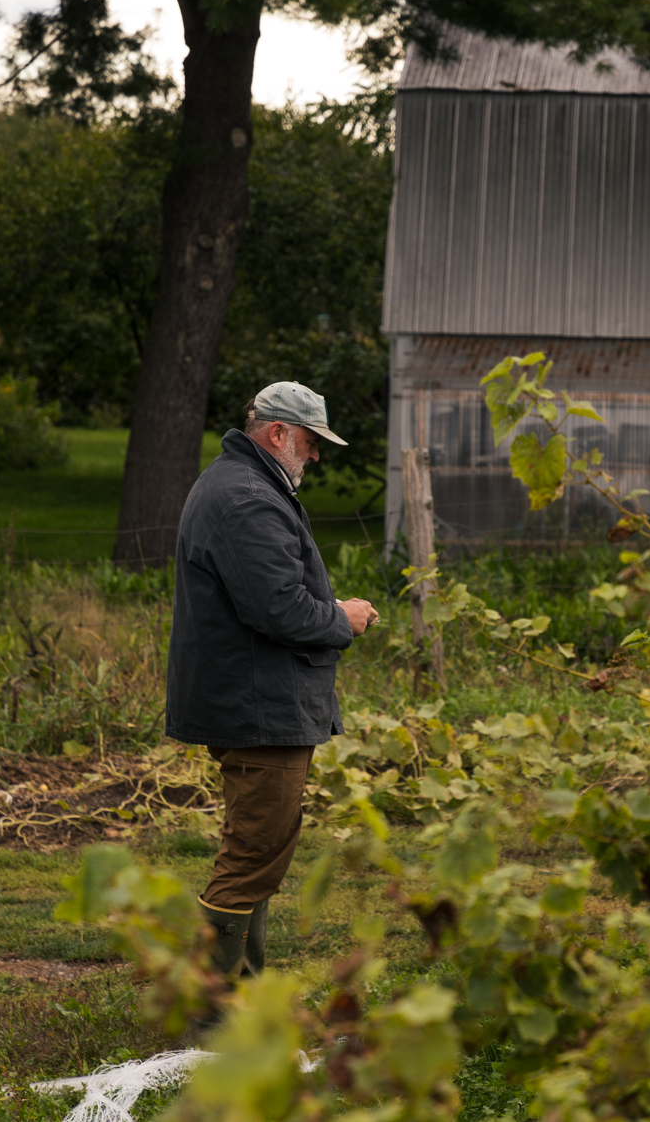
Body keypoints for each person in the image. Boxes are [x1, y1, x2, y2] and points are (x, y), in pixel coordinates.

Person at [165, 380, 379, 985]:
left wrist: (325, 607)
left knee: (258, 851)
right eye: (311, 442)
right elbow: (279, 610)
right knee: (253, 855)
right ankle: (212, 1010)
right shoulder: (248, 498)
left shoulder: (241, 484)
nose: (315, 455)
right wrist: (342, 618)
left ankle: (239, 995)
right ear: (279, 433)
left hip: (250, 700)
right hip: (260, 709)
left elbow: (263, 596)